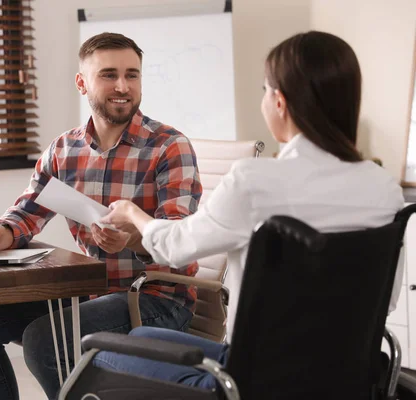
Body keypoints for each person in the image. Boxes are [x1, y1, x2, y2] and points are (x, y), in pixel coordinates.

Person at [93, 31, 405, 390]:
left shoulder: (255, 181)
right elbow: (389, 300)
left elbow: (174, 247)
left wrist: (133, 213)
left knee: (98, 356)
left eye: (264, 91)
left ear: (280, 102)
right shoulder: (382, 186)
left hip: (253, 380)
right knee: (145, 336)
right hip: (345, 374)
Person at [0, 32, 202, 400]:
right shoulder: (64, 149)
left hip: (156, 299)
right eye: (109, 75)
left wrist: (132, 239)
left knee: (45, 341)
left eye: (132, 75)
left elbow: (179, 241)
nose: (123, 86)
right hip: (89, 294)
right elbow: (27, 212)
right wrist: (1, 233)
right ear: (81, 83)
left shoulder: (169, 147)